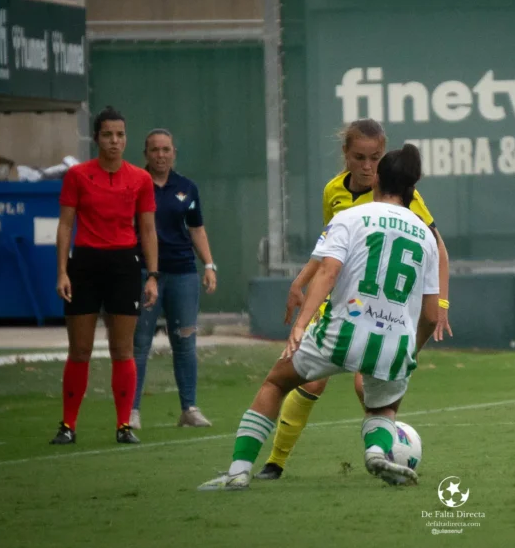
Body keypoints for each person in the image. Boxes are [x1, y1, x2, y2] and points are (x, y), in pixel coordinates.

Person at [198, 143, 439, 490]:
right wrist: (410, 352)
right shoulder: (426, 236)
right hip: (396, 341)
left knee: (276, 383)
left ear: (378, 181)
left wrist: (301, 323)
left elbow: (327, 272)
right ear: (411, 189)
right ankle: (375, 451)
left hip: (343, 330)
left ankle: (238, 471)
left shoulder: (350, 217)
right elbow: (430, 314)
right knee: (382, 409)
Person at [255, 118, 452, 480]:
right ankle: (275, 462)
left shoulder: (403, 195)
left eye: (375, 158)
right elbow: (328, 251)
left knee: (366, 384)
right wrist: (300, 282)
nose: (367, 166)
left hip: (384, 307)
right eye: (359, 157)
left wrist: (440, 305)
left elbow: (437, 247)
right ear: (345, 154)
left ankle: (382, 451)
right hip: (345, 300)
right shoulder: (334, 191)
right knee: (310, 381)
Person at [50, 106, 159, 446]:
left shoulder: (140, 179)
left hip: (124, 265)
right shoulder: (78, 175)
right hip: (84, 264)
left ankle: (124, 425)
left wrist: (152, 275)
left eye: (120, 135)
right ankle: (68, 425)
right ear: (96, 138)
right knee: (79, 349)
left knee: (122, 349)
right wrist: (62, 271)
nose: (114, 141)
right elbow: (66, 224)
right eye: (108, 135)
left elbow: (148, 229)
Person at [130, 129, 216, 429]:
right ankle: (132, 411)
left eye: (166, 149)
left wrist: (209, 264)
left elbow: (196, 229)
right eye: (155, 150)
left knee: (185, 341)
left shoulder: (186, 188)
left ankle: (189, 409)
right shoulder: (135, 184)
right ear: (146, 154)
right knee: (140, 343)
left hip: (182, 272)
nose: (161, 155)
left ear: (174, 153)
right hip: (143, 273)